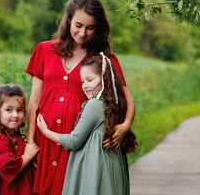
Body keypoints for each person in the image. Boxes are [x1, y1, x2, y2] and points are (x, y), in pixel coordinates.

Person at [26, 0, 135, 194]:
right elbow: (34, 102)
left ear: (98, 28)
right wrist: (30, 143)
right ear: (68, 20)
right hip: (47, 142)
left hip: (79, 143)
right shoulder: (44, 50)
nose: (83, 33)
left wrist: (126, 125)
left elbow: (125, 98)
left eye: (90, 28)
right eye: (78, 25)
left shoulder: (102, 60)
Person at [37, 54, 138, 195]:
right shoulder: (116, 105)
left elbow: (74, 141)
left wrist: (45, 131)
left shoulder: (95, 105)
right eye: (82, 81)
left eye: (89, 80)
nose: (85, 86)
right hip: (112, 168)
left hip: (96, 169)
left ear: (105, 79)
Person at [0, 84, 39, 195]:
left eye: (20, 110)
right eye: (9, 110)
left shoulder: (14, 134)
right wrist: (28, 155)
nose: (15, 115)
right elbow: (8, 167)